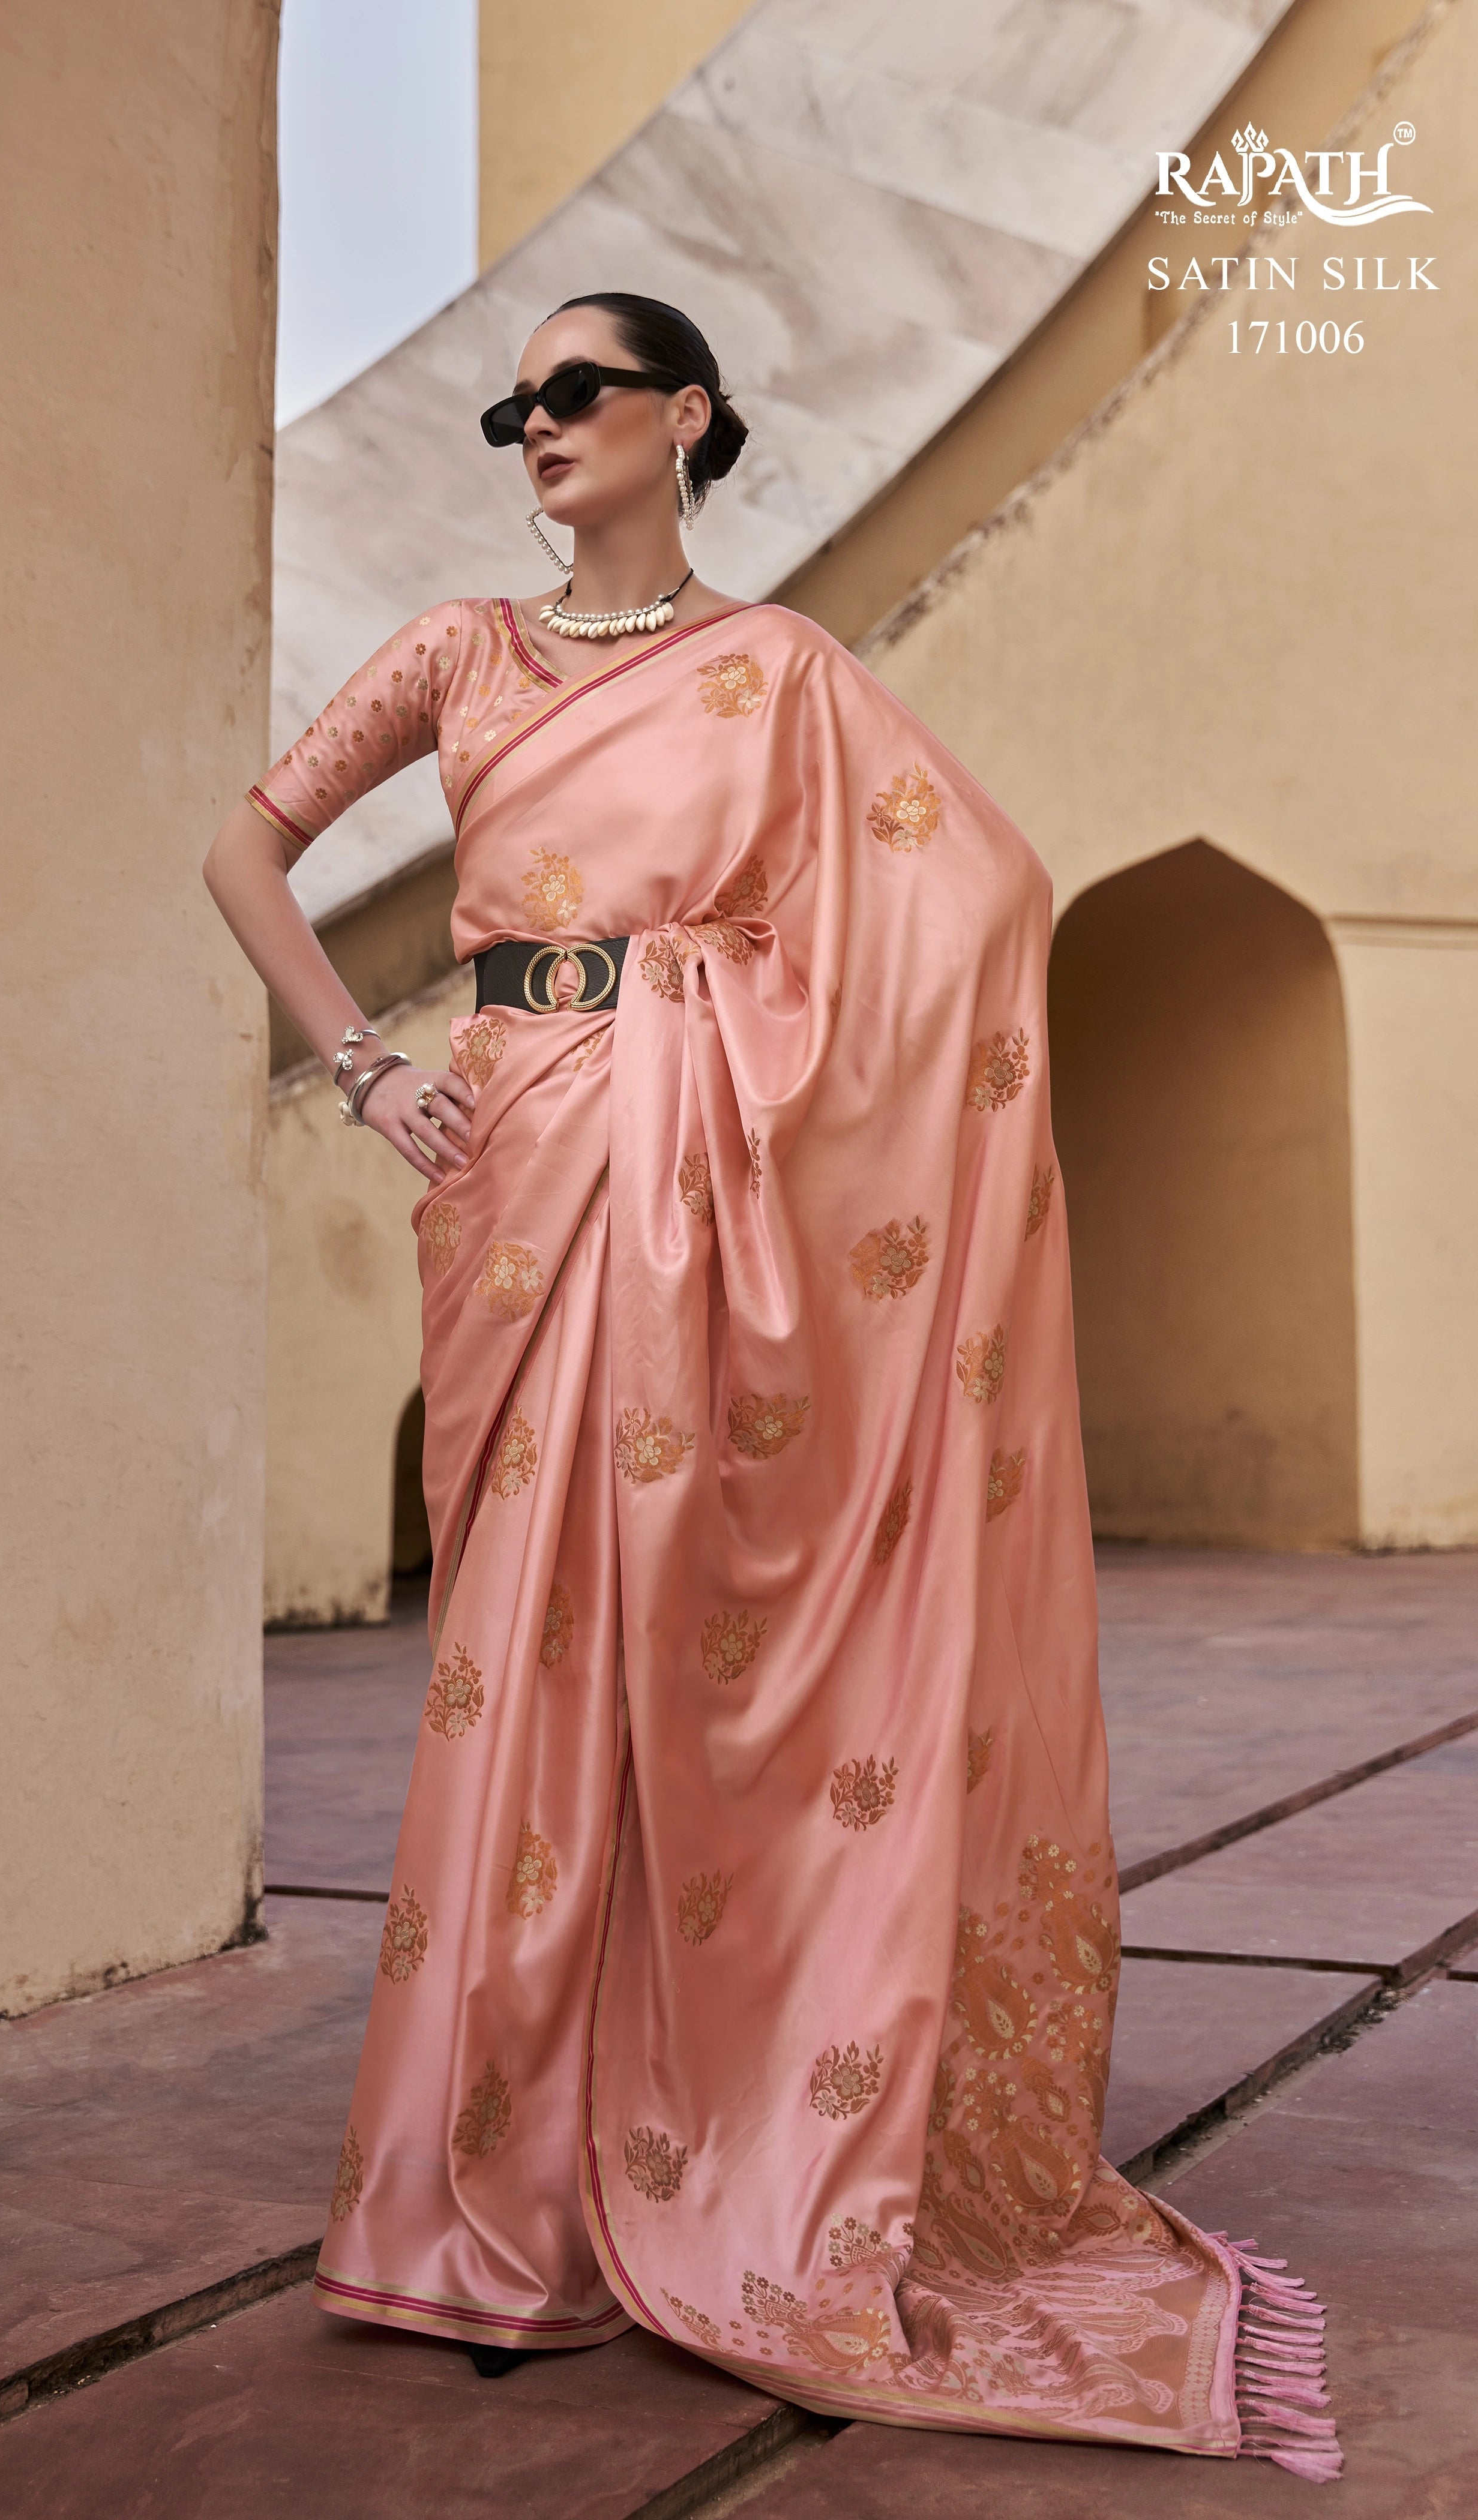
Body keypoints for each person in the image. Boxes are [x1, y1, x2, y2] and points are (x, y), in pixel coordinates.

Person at [204, 293, 1336, 2479]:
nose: (533, 427)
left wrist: (733, 1034)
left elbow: (974, 894)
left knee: (674, 1649)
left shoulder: (784, 673)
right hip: (516, 1159)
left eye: (574, 393)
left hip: (703, 1182)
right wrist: (360, 1065)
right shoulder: (456, 652)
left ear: (684, 417)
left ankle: (698, 2145)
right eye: (511, 405)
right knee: (518, 1657)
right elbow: (245, 846)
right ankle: (484, 2207)